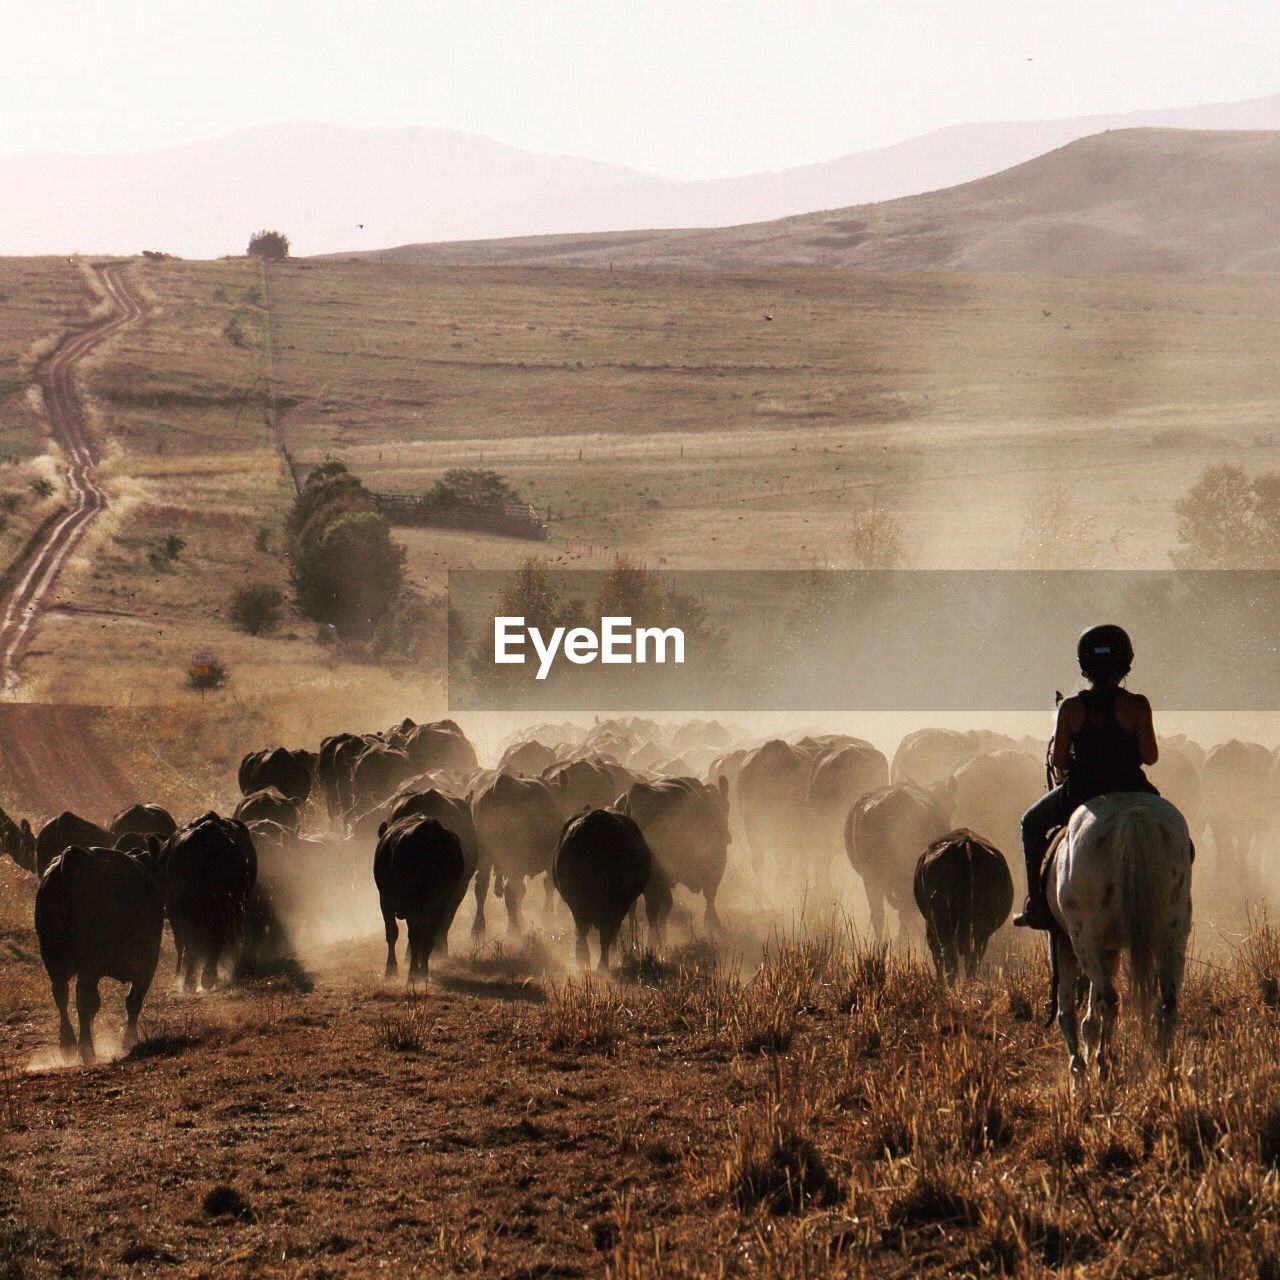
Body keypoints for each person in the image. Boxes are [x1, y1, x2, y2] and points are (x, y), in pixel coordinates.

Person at [1012, 623, 1159, 929]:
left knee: (1031, 823)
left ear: (1084, 668)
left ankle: (1037, 903)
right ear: (1127, 664)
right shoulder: (1138, 705)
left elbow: (1059, 760)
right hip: (1132, 789)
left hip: (1081, 792)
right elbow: (1150, 757)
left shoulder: (1070, 708)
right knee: (1175, 830)